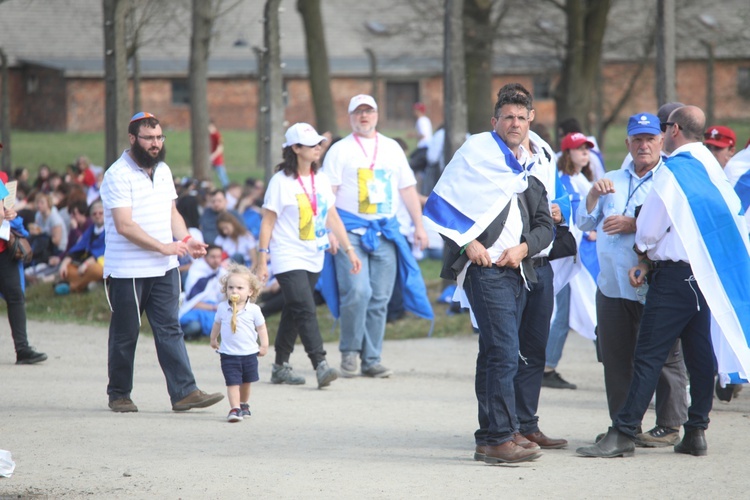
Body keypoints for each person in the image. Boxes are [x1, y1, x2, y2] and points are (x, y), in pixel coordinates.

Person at [577, 105, 750, 458]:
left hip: (672, 275)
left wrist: (642, 248)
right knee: (700, 357)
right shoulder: (711, 168)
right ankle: (696, 430)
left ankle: (623, 432)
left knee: (648, 355)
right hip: (703, 274)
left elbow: (650, 227)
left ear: (672, 130)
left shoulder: (673, 171)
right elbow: (733, 209)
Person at [424, 83, 554, 464]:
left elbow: (546, 224)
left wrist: (525, 248)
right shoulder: (475, 154)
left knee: (494, 353)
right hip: (485, 271)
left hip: (519, 269)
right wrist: (467, 244)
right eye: (507, 117)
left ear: (530, 120)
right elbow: (441, 204)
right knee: (502, 352)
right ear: (494, 121)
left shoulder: (531, 166)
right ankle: (499, 439)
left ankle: (496, 432)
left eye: (520, 117)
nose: (514, 123)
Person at [100, 111, 224, 413]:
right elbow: (124, 225)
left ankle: (184, 392)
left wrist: (185, 240)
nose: (155, 144)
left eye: (159, 137)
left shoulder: (164, 170)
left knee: (170, 328)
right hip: (127, 270)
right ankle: (119, 394)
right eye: (149, 138)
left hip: (164, 267)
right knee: (126, 332)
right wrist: (164, 247)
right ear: (133, 139)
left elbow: (172, 214)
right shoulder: (117, 174)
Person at [577, 112, 688, 447]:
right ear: (627, 143)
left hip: (653, 283)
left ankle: (669, 425)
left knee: (664, 356)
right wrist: (593, 197)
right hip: (611, 285)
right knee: (615, 357)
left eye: (650, 139)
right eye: (637, 139)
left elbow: (674, 226)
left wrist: (632, 224)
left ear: (661, 141)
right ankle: (624, 425)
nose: (643, 146)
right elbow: (584, 224)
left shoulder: (668, 179)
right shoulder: (611, 178)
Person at [321, 95, 428, 378]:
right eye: (358, 112)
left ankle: (372, 358)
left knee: (380, 297)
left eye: (369, 111)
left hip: (385, 231)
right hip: (349, 232)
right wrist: (329, 230)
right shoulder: (339, 150)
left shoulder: (392, 148)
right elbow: (326, 195)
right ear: (350, 117)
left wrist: (418, 226)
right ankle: (349, 351)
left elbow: (407, 189)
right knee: (358, 291)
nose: (364, 116)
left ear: (377, 115)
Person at [256, 122, 362, 388]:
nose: (318, 148)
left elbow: (331, 215)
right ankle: (321, 364)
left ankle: (280, 366)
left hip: (314, 253)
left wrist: (349, 249)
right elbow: (267, 223)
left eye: (319, 144)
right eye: (312, 144)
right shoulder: (280, 182)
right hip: (287, 253)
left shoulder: (321, 179)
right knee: (305, 307)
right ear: (295, 148)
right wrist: (262, 260)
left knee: (294, 308)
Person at [543, 132, 599, 390]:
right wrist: (587, 231)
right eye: (579, 148)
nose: (585, 152)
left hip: (586, 258)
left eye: (587, 148)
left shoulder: (582, 179)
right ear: (567, 153)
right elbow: (568, 220)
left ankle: (546, 365)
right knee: (569, 313)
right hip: (570, 258)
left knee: (578, 313)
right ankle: (545, 367)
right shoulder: (563, 182)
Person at [209, 263, 268, 422]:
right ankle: (234, 409)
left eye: (240, 288)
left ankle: (243, 404)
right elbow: (217, 324)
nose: (234, 291)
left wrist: (264, 345)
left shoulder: (254, 310)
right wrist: (213, 338)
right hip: (228, 354)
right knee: (232, 382)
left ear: (250, 291)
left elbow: (261, 328)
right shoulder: (222, 308)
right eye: (231, 287)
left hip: (249, 354)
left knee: (246, 383)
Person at [0, 172, 47, 364]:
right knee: (15, 296)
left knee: (16, 295)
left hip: (3, 249)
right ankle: (22, 348)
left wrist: (10, 214)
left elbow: (6, 211)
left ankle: (22, 348)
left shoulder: (1, 177)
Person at [56, 200, 106, 294]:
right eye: (94, 214)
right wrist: (64, 263)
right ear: (91, 216)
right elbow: (78, 248)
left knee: (96, 270)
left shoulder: (110, 230)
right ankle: (88, 284)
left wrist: (86, 264)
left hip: (98, 264)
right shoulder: (90, 230)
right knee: (68, 269)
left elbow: (103, 251)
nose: (97, 215)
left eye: (101, 213)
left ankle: (72, 287)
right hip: (84, 265)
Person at [179, 244, 226, 339]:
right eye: (213, 257)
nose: (216, 260)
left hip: (214, 310)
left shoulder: (222, 273)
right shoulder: (196, 271)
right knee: (194, 326)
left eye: (218, 257)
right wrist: (213, 307)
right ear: (205, 257)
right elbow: (192, 301)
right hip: (196, 310)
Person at [209, 120, 230, 188]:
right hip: (210, 160)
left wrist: (212, 156)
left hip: (217, 160)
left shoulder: (217, 135)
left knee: (222, 177)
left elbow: (220, 148)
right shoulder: (210, 135)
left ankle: (227, 189)